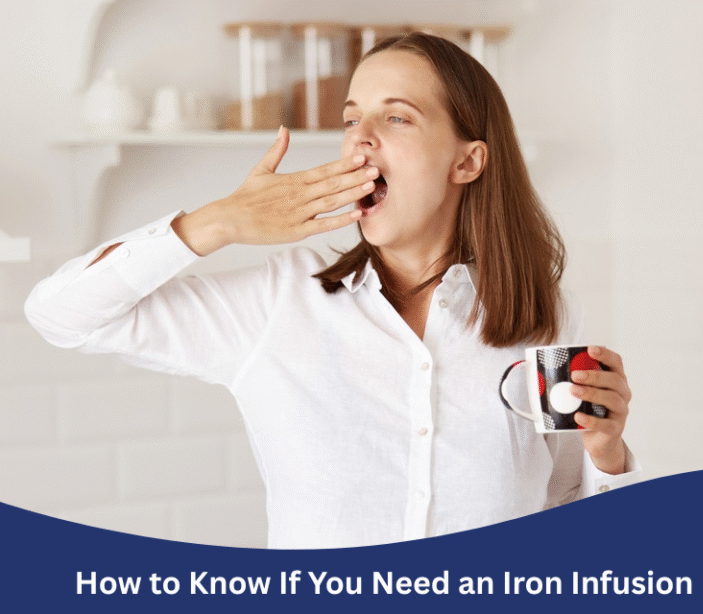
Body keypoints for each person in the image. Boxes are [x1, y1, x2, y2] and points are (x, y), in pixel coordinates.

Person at [25, 33, 639, 549]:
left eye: (396, 117)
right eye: (351, 119)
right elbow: (61, 314)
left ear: (468, 161)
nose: (360, 138)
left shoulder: (542, 314)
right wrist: (221, 222)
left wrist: (606, 453)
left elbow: (563, 506)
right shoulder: (279, 302)